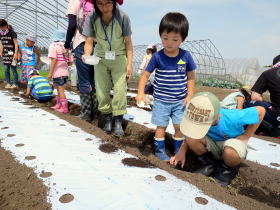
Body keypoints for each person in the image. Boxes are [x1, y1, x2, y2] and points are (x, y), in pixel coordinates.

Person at [136, 12, 196, 161]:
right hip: (161, 100)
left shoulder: (185, 56)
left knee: (179, 127)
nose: (169, 42)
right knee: (161, 127)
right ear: (160, 36)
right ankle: (160, 151)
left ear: (183, 39)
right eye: (165, 38)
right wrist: (140, 92)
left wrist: (189, 95)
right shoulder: (157, 56)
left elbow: (191, 77)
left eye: (175, 39)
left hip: (180, 101)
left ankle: (178, 151)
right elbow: (144, 75)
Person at [170, 92, 265, 186]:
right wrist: (181, 151)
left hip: (231, 145)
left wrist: (246, 136)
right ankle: (209, 163)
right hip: (212, 144)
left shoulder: (233, 117)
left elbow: (261, 111)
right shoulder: (198, 115)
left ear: (217, 117)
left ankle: (226, 169)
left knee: (230, 151)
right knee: (191, 137)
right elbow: (190, 134)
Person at [82, 0, 133, 137]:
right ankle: (107, 117)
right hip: (100, 58)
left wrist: (129, 64)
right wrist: (87, 54)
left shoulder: (123, 17)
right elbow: (89, 41)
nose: (104, 7)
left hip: (119, 57)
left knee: (120, 89)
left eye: (108, 3)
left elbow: (128, 43)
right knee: (101, 90)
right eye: (100, 3)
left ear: (115, 2)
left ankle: (118, 120)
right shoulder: (92, 17)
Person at [65, 0, 97, 121]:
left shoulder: (74, 2)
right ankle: (96, 112)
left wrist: (67, 44)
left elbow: (72, 25)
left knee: (84, 81)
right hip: (97, 45)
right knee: (95, 81)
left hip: (82, 43)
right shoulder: (95, 2)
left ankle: (86, 113)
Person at [243, 55, 280, 137]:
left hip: (277, 115)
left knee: (247, 104)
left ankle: (266, 129)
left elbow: (255, 97)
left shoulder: (268, 73)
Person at [48, 30, 74, 114]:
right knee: (59, 90)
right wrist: (64, 64)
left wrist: (50, 73)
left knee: (60, 90)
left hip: (57, 73)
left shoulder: (54, 46)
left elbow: (54, 60)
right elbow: (70, 62)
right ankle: (59, 105)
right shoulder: (66, 47)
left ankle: (64, 108)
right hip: (65, 73)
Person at [0, 19, 19, 89]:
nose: (2, 29)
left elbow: (16, 44)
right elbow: (2, 43)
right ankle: (8, 83)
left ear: (6, 25)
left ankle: (15, 83)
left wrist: (16, 53)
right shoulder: (0, 33)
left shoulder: (12, 33)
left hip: (12, 54)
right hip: (5, 55)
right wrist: (1, 52)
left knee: (13, 69)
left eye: (2, 27)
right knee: (6, 69)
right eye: (0, 28)